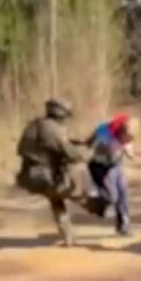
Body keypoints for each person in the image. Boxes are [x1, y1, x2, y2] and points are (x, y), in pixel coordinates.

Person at [15, 99, 94, 246]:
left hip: (31, 176)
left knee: (55, 199)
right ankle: (95, 205)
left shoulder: (34, 125)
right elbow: (71, 153)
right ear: (61, 114)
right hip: (50, 176)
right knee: (78, 183)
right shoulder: (52, 129)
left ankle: (67, 234)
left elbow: (22, 149)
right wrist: (90, 152)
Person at [84, 113, 139, 236]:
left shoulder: (126, 134)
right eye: (127, 138)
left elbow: (127, 151)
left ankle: (123, 225)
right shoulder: (104, 135)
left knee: (123, 193)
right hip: (100, 166)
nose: (129, 141)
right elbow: (88, 145)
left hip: (115, 164)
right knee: (112, 196)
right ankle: (96, 205)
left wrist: (128, 151)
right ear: (121, 132)